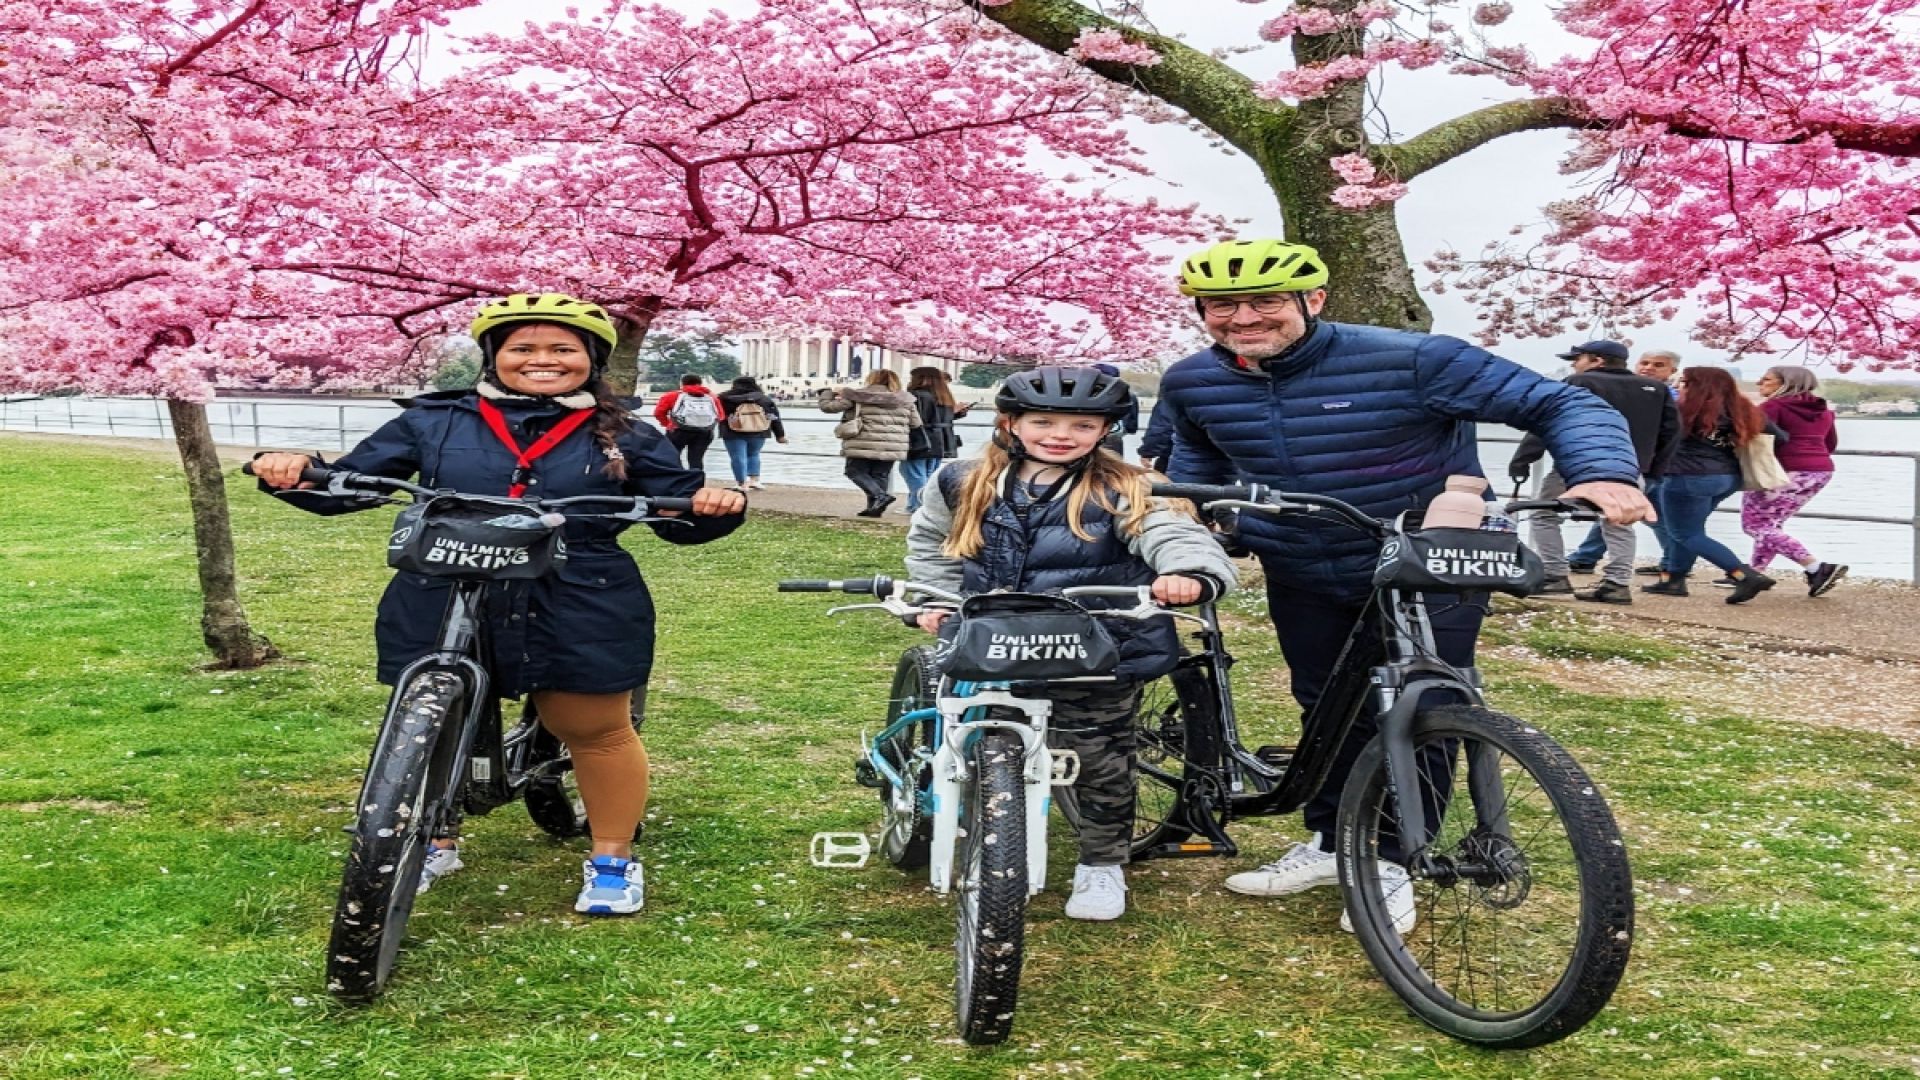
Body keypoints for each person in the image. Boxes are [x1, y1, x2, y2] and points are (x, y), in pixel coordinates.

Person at [1153, 238, 1650, 932]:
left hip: (1426, 562)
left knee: (1423, 706)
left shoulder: (1416, 358)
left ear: (1313, 300)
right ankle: (1331, 840)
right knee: (1325, 707)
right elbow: (1195, 458)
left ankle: (1389, 857)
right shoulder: (1191, 381)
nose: (1243, 319)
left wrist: (1602, 472)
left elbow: (1561, 404)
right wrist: (1210, 516)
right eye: (1221, 307)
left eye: (1265, 301)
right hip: (1301, 562)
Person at [252, 293, 747, 916]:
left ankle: (613, 858)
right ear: (494, 356)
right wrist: (295, 471)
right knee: (434, 722)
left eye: (563, 349)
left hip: (579, 591)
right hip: (445, 587)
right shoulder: (433, 420)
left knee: (593, 728)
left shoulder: (628, 434)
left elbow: (677, 512)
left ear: (592, 361)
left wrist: (712, 507)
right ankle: (434, 839)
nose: (543, 359)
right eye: (523, 348)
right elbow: (352, 484)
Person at [905, 366, 1238, 921]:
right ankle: (982, 820)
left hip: (1096, 647)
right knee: (973, 734)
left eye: (1082, 425)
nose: (1061, 435)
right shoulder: (961, 480)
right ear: (1011, 423)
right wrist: (933, 599)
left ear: (1105, 430)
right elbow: (933, 543)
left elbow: (1171, 533)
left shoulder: (1129, 487)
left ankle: (1102, 864)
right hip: (994, 639)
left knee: (1102, 760)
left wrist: (1188, 572)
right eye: (1044, 422)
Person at [1510, 340, 1679, 604]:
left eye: (1577, 359)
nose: (1574, 365)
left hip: (1578, 466)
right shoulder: (1656, 389)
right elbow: (1670, 433)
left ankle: (1555, 575)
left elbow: (1549, 420)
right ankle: (1617, 583)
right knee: (1619, 522)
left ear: (1597, 360)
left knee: (1544, 515)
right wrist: (1654, 471)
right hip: (1630, 469)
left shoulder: (1579, 382)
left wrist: (1524, 458)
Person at [1639, 366, 1786, 604]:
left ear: (1697, 386)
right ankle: (1673, 580)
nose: (1679, 386)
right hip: (1727, 477)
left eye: (1684, 382)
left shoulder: (1681, 410)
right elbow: (1780, 438)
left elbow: (1654, 439)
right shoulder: (1743, 410)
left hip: (1686, 477)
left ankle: (1743, 575)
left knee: (1684, 532)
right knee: (1689, 530)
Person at [1742, 365, 1847, 596]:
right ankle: (1754, 574)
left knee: (1755, 525)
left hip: (1783, 471)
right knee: (1771, 525)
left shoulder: (1773, 406)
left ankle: (1817, 567)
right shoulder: (1824, 411)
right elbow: (1830, 444)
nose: (1759, 383)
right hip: (1819, 471)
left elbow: (1753, 438)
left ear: (1786, 383)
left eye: (1766, 379)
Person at [820, 369, 922, 517]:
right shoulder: (905, 399)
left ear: (871, 379)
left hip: (863, 441)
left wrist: (827, 392)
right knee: (880, 475)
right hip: (893, 444)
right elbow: (916, 423)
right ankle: (875, 509)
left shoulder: (858, 396)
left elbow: (828, 407)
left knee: (854, 471)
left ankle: (880, 496)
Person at [902, 366, 970, 514]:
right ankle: (915, 505)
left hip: (919, 440)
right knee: (928, 473)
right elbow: (941, 419)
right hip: (940, 441)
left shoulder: (916, 396)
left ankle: (921, 506)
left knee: (914, 473)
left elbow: (917, 419)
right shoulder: (944, 396)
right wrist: (956, 413)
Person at [716, 375, 788, 491]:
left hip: (732, 431)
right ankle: (754, 480)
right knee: (754, 454)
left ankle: (741, 483)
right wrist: (780, 435)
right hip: (759, 430)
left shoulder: (724, 398)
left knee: (738, 456)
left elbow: (717, 414)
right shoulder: (763, 399)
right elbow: (774, 417)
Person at [652, 373, 726, 479]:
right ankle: (695, 482)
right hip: (704, 432)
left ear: (682, 383)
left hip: (678, 431)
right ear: (700, 383)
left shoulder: (672, 395)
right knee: (696, 459)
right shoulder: (711, 397)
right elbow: (721, 416)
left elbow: (658, 413)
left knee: (672, 456)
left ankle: (675, 479)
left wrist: (668, 424)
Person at [1092, 363, 1140, 455]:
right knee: (1112, 461)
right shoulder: (1128, 395)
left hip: (1086, 435)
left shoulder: (1086, 394)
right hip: (1114, 436)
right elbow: (1132, 424)